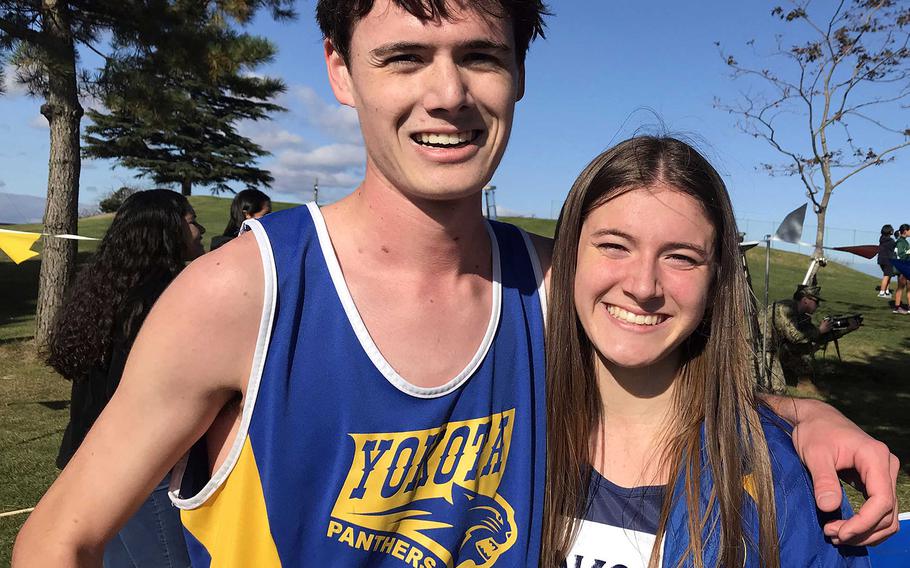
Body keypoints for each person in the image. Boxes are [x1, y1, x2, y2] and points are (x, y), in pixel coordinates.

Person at [13, 2, 900, 566]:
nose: (448, 94)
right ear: (338, 64)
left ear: (517, 71)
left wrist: (804, 418)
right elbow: (60, 536)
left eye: (479, 54)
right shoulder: (243, 296)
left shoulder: (548, 287)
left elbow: (666, 366)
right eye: (403, 56)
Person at [541, 136, 869, 568]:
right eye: (614, 246)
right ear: (568, 258)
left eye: (680, 257)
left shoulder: (786, 480)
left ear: (716, 284)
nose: (642, 286)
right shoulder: (501, 437)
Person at [45, 189, 204, 567]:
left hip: (87, 458)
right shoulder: (166, 297)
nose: (198, 230)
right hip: (139, 469)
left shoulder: (105, 287)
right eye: (191, 220)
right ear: (166, 229)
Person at [762, 283, 860, 394]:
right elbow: (795, 336)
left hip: (774, 346)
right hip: (760, 346)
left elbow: (817, 338)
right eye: (816, 302)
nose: (818, 306)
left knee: (805, 346)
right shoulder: (785, 309)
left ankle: (804, 382)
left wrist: (848, 328)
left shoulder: (803, 316)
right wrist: (820, 330)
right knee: (777, 389)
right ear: (805, 300)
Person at [891, 224, 909, 315]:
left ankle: (898, 307)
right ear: (905, 231)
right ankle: (897, 307)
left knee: (902, 288)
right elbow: (901, 255)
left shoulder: (903, 241)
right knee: (901, 288)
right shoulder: (901, 242)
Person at [877, 224, 896, 298]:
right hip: (888, 260)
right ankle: (882, 292)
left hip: (881, 259)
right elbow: (895, 246)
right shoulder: (891, 241)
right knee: (887, 275)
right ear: (889, 231)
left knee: (888, 275)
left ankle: (886, 291)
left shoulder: (882, 239)